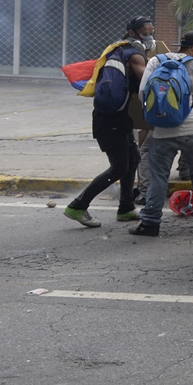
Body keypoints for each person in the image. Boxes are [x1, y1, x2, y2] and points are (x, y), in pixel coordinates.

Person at [129, 30, 193, 236]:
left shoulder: (155, 62)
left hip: (163, 131)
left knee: (159, 176)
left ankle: (150, 223)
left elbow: (144, 92)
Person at [63, 16, 150, 227]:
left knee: (133, 158)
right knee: (119, 167)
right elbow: (148, 79)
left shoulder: (118, 51)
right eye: (145, 32)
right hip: (110, 120)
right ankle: (77, 206)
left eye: (151, 31)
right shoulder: (134, 55)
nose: (150, 37)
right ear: (132, 34)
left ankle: (126, 207)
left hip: (117, 118)